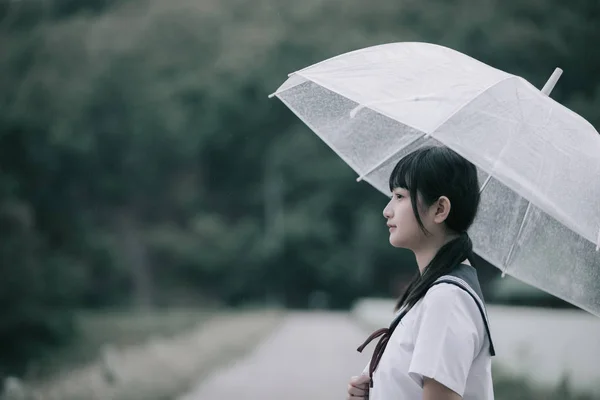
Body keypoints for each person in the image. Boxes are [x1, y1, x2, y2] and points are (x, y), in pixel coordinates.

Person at [347, 145, 495, 400]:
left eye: (400, 196)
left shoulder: (447, 298)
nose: (387, 210)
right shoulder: (434, 292)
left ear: (439, 210)